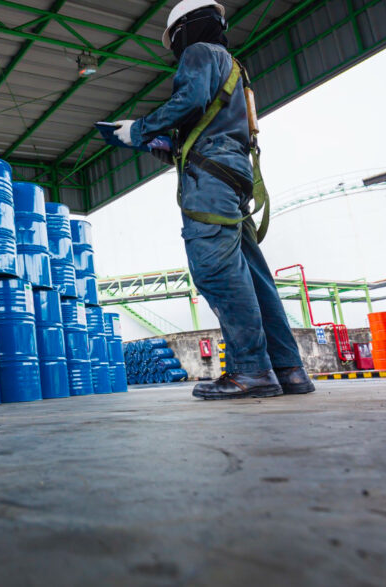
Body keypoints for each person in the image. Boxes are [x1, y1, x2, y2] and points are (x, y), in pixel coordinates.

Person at [109, 0, 314, 400]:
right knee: (254, 277)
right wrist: (159, 143)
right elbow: (204, 125)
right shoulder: (234, 67)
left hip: (212, 180)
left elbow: (187, 102)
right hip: (233, 174)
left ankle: (251, 372)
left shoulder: (199, 53)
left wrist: (137, 131)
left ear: (184, 29)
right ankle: (288, 369)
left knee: (217, 270)